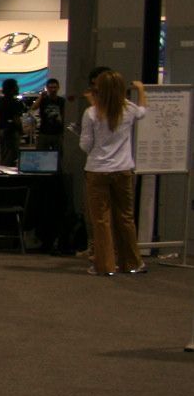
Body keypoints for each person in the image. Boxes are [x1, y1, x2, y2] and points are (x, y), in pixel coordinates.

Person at [79, 70, 150, 275]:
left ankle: (105, 265)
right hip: (123, 170)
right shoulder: (129, 109)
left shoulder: (91, 113)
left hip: (98, 171)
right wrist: (141, 89)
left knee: (101, 219)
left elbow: (86, 145)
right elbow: (143, 111)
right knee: (125, 217)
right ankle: (133, 263)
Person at [0, 77, 24, 166]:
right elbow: (16, 119)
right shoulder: (14, 102)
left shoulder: (1, 101)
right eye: (16, 86)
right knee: (12, 156)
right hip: (11, 132)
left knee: (4, 154)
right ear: (12, 88)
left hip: (2, 130)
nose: (18, 88)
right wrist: (21, 130)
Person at [33, 77, 66, 153]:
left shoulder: (61, 101)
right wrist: (41, 97)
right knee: (41, 154)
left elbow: (65, 115)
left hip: (58, 133)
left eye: (55, 87)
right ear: (47, 88)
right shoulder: (43, 100)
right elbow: (34, 107)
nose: (53, 90)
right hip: (44, 132)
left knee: (58, 155)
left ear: (58, 88)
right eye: (50, 87)